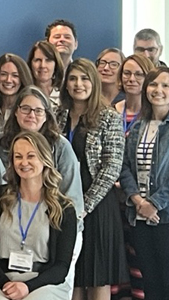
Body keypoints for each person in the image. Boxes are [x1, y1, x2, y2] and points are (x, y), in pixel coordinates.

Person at [118, 66, 169, 300]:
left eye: (166, 85)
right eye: (154, 84)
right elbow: (124, 168)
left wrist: (154, 203)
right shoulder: (137, 127)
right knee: (151, 286)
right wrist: (137, 200)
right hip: (140, 215)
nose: (158, 90)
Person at [0, 132, 81, 300]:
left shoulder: (63, 208)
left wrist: (27, 287)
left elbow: (61, 267)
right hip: (5, 282)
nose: (24, 163)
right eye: (18, 157)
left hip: (45, 284)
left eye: (31, 156)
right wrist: (6, 284)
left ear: (44, 159)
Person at [58, 59, 129, 300]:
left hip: (96, 206)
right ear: (66, 84)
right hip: (63, 202)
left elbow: (112, 167)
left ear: (94, 83)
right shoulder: (58, 116)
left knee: (98, 276)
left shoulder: (108, 116)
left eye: (85, 78)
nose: (79, 84)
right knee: (73, 275)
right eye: (73, 78)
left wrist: (84, 206)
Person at [0, 88, 84, 213]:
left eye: (38, 111)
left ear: (46, 116)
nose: (31, 115)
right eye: (25, 109)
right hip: (8, 215)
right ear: (16, 112)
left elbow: (72, 197)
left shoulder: (61, 146)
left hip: (52, 218)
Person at [115, 55, 156, 132]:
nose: (131, 79)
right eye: (127, 73)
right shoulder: (112, 111)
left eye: (139, 74)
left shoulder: (154, 113)